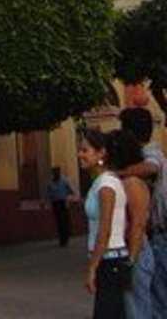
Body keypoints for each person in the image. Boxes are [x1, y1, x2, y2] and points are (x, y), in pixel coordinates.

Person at [118, 107, 167, 315]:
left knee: (157, 299)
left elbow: (152, 167)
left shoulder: (150, 153)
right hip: (158, 236)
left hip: (161, 236)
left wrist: (116, 173)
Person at [79, 129, 129, 318]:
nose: (80, 155)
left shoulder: (106, 185)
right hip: (108, 259)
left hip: (110, 259)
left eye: (85, 150)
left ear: (101, 153)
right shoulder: (100, 182)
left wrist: (93, 266)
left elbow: (105, 229)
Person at [106, 129, 153, 319]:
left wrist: (131, 260)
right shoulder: (121, 181)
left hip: (135, 253)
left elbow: (138, 224)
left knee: (136, 310)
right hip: (125, 252)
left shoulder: (132, 183)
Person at [47, 167, 75, 247]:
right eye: (54, 172)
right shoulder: (50, 183)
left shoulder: (64, 181)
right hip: (55, 203)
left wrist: (68, 198)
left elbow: (70, 191)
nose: (56, 174)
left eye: (57, 172)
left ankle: (65, 238)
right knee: (59, 221)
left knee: (64, 221)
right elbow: (48, 193)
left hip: (63, 202)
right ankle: (61, 239)